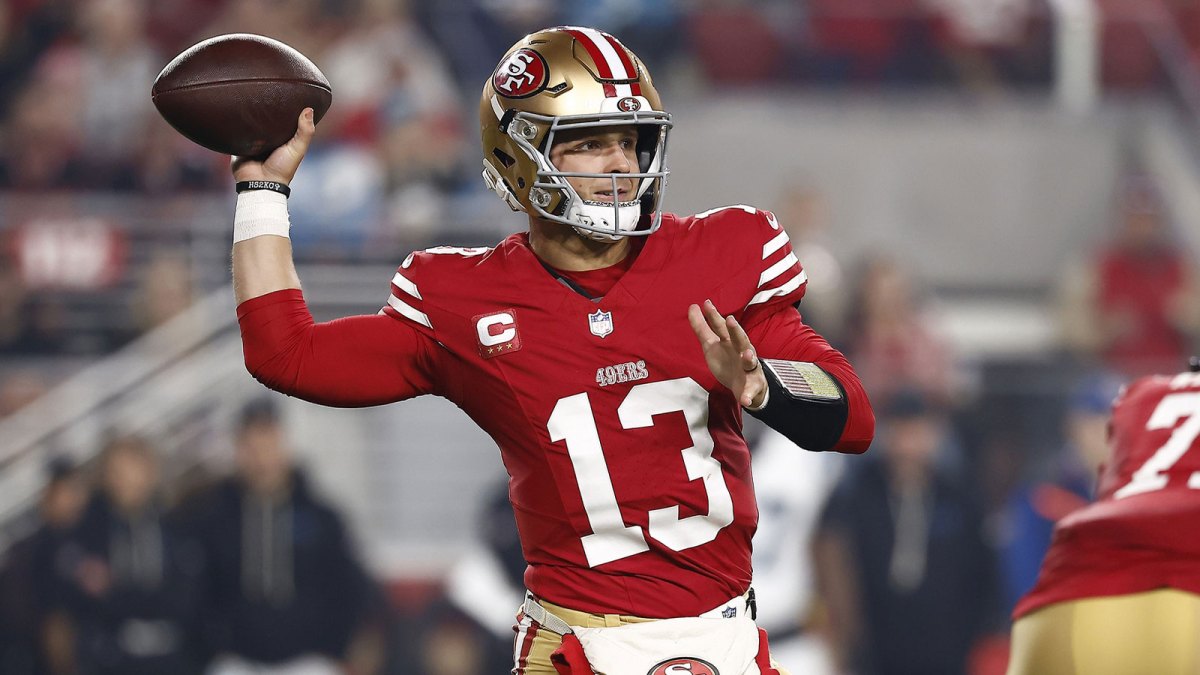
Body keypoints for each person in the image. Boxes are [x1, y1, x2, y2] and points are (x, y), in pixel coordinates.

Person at [227, 26, 874, 674]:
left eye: (630, 140)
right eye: (590, 143)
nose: (621, 162)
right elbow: (287, 354)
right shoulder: (467, 299)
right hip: (575, 645)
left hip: (722, 636)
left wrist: (765, 386)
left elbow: (853, 415)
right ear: (519, 156)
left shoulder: (722, 254)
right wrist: (261, 191)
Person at [1007, 359, 1200, 675]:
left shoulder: (1152, 492)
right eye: (1096, 420)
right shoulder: (1044, 497)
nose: (1106, 432)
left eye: (1115, 420)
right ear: (1073, 425)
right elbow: (1025, 585)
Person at [183, 398, 383, 675]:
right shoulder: (214, 518)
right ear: (239, 450)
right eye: (252, 447)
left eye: (269, 445)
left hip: (307, 661)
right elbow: (197, 591)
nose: (262, 458)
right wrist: (212, 644)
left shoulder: (321, 517)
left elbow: (350, 586)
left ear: (284, 445)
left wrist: (334, 646)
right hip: (236, 662)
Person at [813, 389, 999, 675]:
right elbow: (831, 561)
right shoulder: (858, 495)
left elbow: (982, 577)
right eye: (901, 433)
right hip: (875, 653)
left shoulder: (959, 500)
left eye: (918, 433)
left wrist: (975, 640)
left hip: (945, 654)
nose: (909, 446)